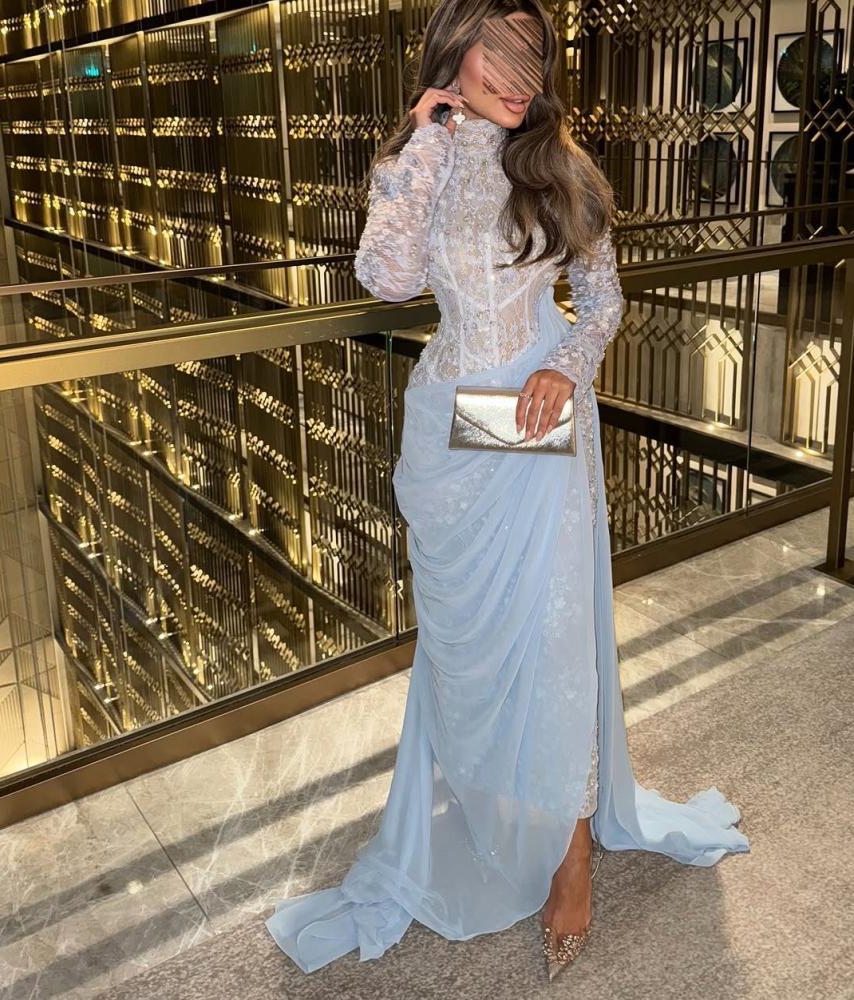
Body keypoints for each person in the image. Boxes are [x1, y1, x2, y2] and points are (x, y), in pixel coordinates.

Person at [266, 0, 749, 980]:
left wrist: (564, 366)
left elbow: (603, 301)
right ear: (456, 52)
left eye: (535, 54)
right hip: (451, 428)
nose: (522, 74)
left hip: (537, 415)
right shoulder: (420, 161)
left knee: (553, 634)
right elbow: (385, 277)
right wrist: (423, 141)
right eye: (501, 52)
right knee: (470, 649)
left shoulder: (560, 167)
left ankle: (571, 856)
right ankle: (502, 804)